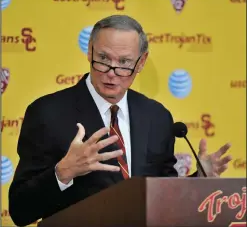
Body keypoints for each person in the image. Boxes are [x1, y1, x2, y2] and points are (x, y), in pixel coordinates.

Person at [8, 15, 232, 226]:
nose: (111, 72)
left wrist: (198, 181)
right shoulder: (47, 113)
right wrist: (63, 172)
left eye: (124, 62)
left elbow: (163, 196)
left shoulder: (156, 117)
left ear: (141, 62)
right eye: (103, 59)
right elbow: (20, 210)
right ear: (89, 51)